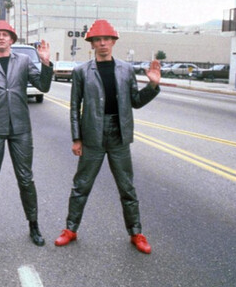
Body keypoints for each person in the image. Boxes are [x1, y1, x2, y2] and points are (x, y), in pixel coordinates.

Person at [55, 19, 161, 254]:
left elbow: (135, 101)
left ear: (114, 42)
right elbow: (74, 107)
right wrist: (76, 138)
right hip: (92, 134)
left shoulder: (126, 69)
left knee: (127, 188)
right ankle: (70, 229)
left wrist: (152, 86)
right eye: (98, 40)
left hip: (119, 136)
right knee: (81, 186)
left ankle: (136, 233)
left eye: (106, 39)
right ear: (92, 43)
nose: (102, 43)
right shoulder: (82, 71)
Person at [0, 20, 53, 246]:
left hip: (21, 128)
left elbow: (43, 86)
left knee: (26, 178)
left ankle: (34, 226)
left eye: (5, 35)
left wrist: (45, 63)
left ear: (11, 39)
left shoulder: (24, 61)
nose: (1, 38)